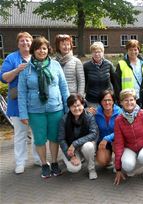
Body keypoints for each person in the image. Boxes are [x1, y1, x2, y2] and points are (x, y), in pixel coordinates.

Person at [18, 36, 69, 178]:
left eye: (44, 48)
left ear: (48, 50)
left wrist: (67, 108)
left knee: (54, 137)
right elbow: (22, 93)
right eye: (38, 48)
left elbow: (64, 88)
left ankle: (54, 162)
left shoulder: (56, 66)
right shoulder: (26, 69)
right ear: (33, 50)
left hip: (55, 109)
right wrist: (23, 114)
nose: (42, 51)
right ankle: (44, 164)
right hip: (35, 111)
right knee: (39, 139)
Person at [0, 32, 40, 174]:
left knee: (37, 133)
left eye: (28, 41)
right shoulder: (12, 58)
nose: (25, 43)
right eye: (22, 41)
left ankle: (38, 158)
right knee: (20, 134)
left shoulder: (37, 56)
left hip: (36, 103)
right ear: (18, 44)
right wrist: (17, 70)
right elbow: (3, 78)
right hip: (17, 103)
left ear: (32, 42)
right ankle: (20, 163)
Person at [113, 89, 143, 185]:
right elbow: (118, 143)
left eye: (131, 100)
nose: (129, 102)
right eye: (126, 100)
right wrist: (118, 168)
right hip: (130, 147)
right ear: (121, 102)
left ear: (135, 101)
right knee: (127, 165)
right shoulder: (118, 120)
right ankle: (131, 166)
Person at [58, 94, 99, 180]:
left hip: (83, 145)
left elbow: (93, 134)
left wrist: (75, 143)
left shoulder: (89, 116)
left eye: (79, 105)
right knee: (73, 168)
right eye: (73, 106)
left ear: (83, 105)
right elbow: (61, 139)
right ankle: (66, 157)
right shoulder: (64, 119)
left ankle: (91, 169)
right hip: (70, 148)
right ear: (69, 107)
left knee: (89, 146)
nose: (76, 108)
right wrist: (70, 156)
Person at [115, 40, 143, 110]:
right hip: (128, 99)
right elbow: (117, 85)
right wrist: (119, 99)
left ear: (138, 50)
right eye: (130, 50)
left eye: (135, 49)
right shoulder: (121, 64)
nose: (133, 52)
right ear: (127, 50)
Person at [93, 90, 122, 167]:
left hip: (116, 139)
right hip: (102, 141)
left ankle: (118, 162)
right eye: (104, 100)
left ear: (113, 101)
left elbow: (121, 131)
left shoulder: (119, 112)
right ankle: (108, 159)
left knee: (116, 145)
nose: (107, 103)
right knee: (103, 162)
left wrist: (107, 138)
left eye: (109, 100)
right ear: (101, 102)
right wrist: (88, 115)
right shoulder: (96, 112)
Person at [83, 41, 116, 109]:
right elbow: (84, 83)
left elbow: (115, 82)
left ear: (103, 53)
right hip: (92, 100)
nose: (97, 54)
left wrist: (114, 96)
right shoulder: (86, 66)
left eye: (99, 52)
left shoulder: (109, 64)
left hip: (106, 100)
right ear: (91, 53)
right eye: (94, 52)